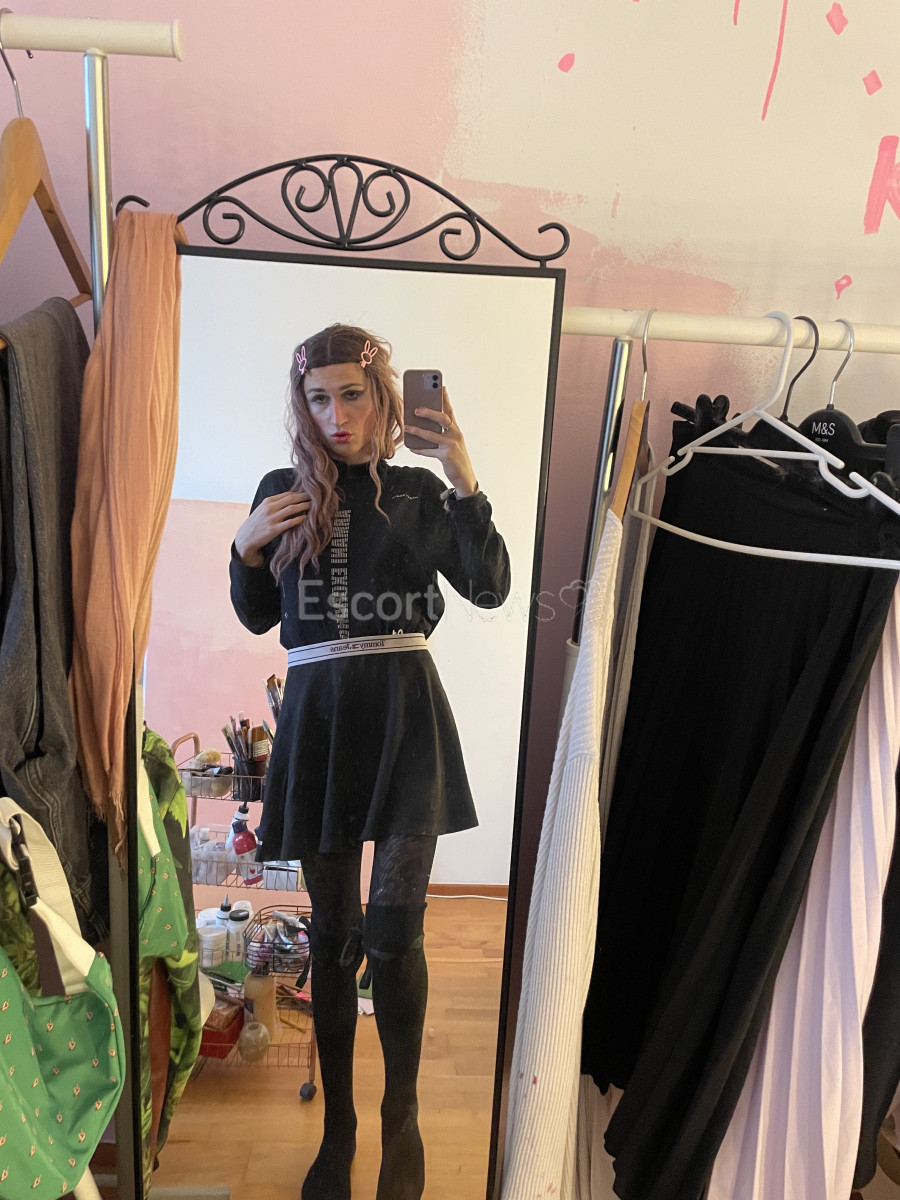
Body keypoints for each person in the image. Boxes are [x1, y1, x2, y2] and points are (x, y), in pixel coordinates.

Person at [229, 324, 510, 1200]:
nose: (336, 415)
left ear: (383, 397)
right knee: (334, 933)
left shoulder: (421, 491)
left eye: (352, 394)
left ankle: (401, 1116)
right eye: (318, 398)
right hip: (317, 719)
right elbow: (259, 617)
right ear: (302, 404)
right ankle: (340, 1128)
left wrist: (464, 473)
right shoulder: (281, 492)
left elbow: (492, 587)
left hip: (404, 718)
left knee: (393, 931)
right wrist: (244, 548)